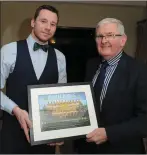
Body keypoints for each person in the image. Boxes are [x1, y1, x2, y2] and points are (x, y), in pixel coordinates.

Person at [74, 18, 147, 154]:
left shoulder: (140, 70)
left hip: (122, 149)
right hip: (88, 148)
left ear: (123, 40)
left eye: (110, 35)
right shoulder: (91, 65)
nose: (104, 40)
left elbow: (144, 120)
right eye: (100, 36)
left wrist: (109, 133)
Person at [0, 5, 66, 154]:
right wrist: (15, 110)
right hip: (12, 136)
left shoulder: (60, 58)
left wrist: (61, 131)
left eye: (53, 24)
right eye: (43, 21)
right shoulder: (9, 50)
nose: (48, 27)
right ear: (33, 22)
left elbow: (60, 99)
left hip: (45, 139)